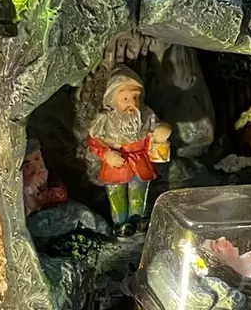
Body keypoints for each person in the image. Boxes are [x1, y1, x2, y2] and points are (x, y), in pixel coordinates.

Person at [85, 67, 172, 237]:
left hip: (140, 162)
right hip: (117, 164)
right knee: (116, 194)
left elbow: (158, 128)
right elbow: (94, 140)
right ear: (112, 99)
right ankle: (121, 222)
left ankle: (138, 218)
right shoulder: (105, 119)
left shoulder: (146, 115)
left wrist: (163, 130)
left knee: (139, 191)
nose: (131, 103)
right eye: (125, 98)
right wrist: (106, 154)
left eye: (135, 97)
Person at [22, 138, 67, 218]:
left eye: (37, 159)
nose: (36, 166)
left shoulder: (47, 175)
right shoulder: (25, 187)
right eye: (27, 166)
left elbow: (60, 194)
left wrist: (50, 195)